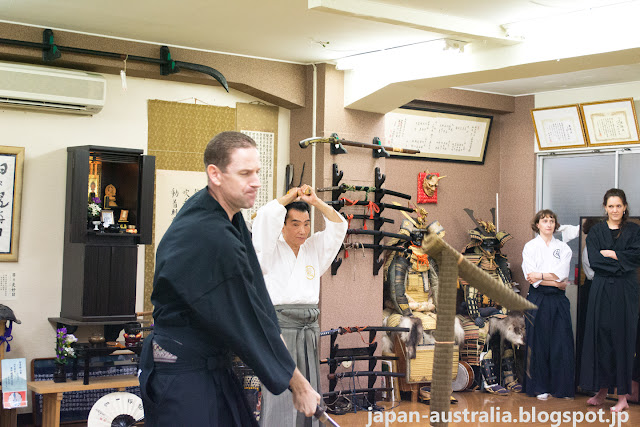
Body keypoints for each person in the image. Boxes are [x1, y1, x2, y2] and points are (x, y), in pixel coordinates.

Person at [139, 131, 320, 426]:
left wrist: (291, 374)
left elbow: (257, 298)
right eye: (245, 173)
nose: (257, 182)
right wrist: (297, 384)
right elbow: (247, 318)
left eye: (257, 172)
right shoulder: (211, 236)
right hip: (183, 374)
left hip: (208, 367)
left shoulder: (225, 214)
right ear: (216, 174)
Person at [252, 184, 347, 427]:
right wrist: (289, 197)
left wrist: (315, 201)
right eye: (295, 224)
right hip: (280, 329)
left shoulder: (313, 247)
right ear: (282, 225)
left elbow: (339, 227)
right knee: (281, 389)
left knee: (310, 388)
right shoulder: (269, 249)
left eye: (306, 223)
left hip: (309, 329)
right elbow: (263, 218)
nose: (302, 230)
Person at [580, 188, 640, 412]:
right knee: (601, 337)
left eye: (618, 205)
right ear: (605, 207)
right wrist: (621, 261)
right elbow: (595, 261)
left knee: (622, 339)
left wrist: (614, 255)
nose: (615, 210)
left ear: (625, 207)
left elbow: (637, 257)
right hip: (602, 290)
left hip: (626, 291)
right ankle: (602, 391)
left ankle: (623, 397)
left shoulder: (634, 230)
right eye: (611, 206)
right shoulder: (596, 231)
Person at [522, 209, 574, 400]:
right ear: (537, 224)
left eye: (552, 220)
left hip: (559, 298)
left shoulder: (564, 248)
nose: (549, 224)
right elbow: (531, 277)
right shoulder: (530, 247)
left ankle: (562, 388)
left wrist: (542, 275)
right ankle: (539, 387)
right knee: (539, 342)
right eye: (544, 220)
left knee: (561, 341)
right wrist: (551, 278)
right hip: (538, 297)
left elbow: (562, 278)